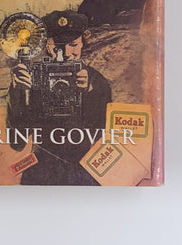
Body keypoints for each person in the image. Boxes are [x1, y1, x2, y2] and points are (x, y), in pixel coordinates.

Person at [6, 10, 112, 185]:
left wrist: (89, 93)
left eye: (73, 45)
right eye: (58, 46)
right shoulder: (33, 78)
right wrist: (18, 93)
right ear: (48, 46)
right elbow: (17, 142)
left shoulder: (95, 81)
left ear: (83, 44)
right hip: (41, 172)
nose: (67, 53)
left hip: (82, 172)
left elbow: (103, 137)